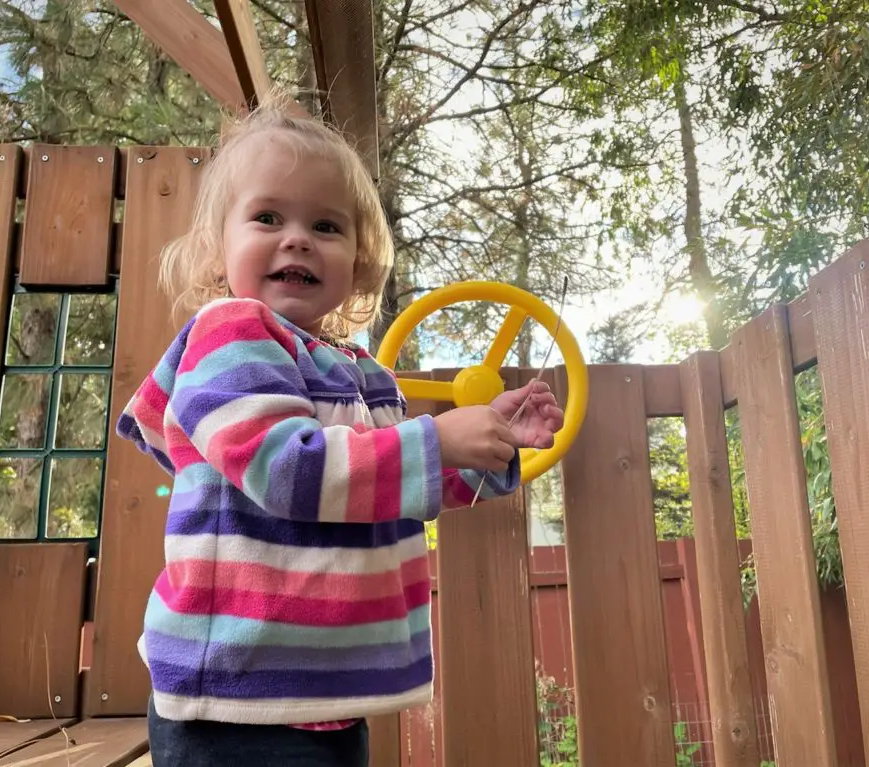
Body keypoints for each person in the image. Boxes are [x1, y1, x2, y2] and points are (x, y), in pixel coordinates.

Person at [116, 90, 564, 767]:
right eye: (267, 216)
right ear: (218, 251)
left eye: (326, 226)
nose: (296, 237)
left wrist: (483, 446)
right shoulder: (230, 332)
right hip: (236, 694)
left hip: (326, 690)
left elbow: (383, 482)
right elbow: (288, 469)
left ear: (358, 261)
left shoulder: (359, 372)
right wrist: (437, 438)